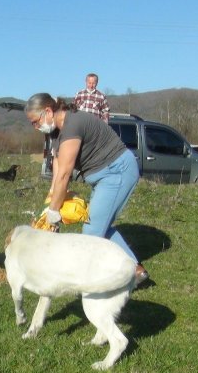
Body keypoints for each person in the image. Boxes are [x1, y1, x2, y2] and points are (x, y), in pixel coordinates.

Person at [25, 92, 149, 284]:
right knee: (100, 224)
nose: (35, 127)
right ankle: (135, 271)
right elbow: (58, 166)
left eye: (35, 121)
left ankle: (107, 278)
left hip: (117, 172)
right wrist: (52, 195)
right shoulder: (57, 131)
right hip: (104, 177)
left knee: (91, 233)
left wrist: (54, 212)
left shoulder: (73, 124)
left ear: (48, 111)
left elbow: (65, 174)